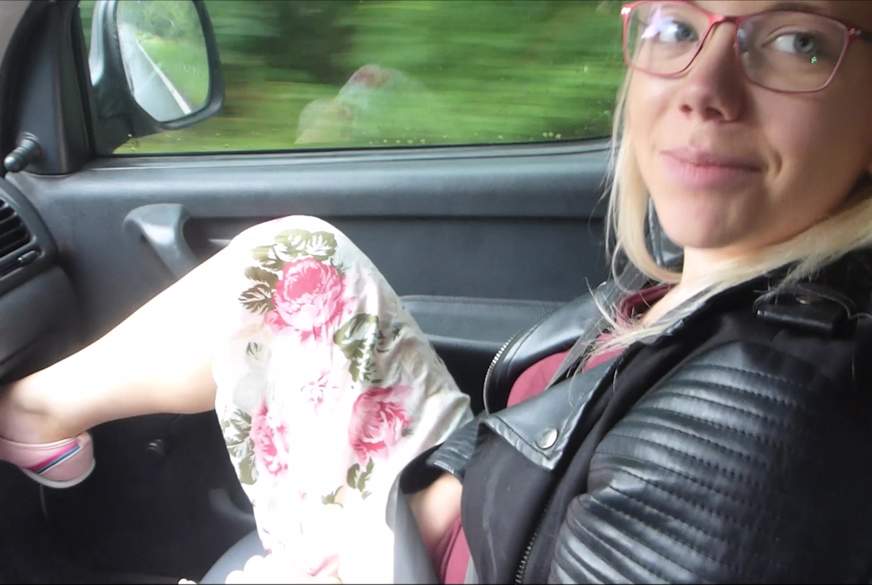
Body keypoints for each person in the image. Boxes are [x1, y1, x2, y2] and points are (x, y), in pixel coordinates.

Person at [3, 0, 872, 582]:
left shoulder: (757, 424)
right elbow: (553, 447)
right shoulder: (710, 281)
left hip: (424, 563)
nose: (703, 89)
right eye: (677, 27)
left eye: (797, 40)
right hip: (453, 512)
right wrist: (420, 499)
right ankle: (34, 412)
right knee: (298, 259)